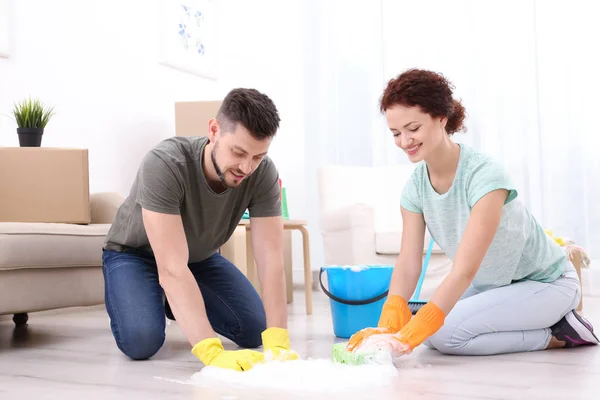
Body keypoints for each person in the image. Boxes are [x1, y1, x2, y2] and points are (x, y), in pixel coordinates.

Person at [347, 69, 599, 357]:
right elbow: (408, 261)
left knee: (443, 335)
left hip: (547, 284)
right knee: (430, 333)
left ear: (441, 118)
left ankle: (560, 333)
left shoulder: (485, 176)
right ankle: (546, 326)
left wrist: (411, 335)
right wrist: (392, 313)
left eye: (413, 129)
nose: (404, 141)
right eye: (395, 133)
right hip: (493, 287)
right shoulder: (415, 188)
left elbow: (465, 269)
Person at [102, 88, 297, 371]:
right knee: (141, 342)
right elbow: (171, 266)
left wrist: (278, 340)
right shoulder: (165, 163)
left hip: (198, 259)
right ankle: (165, 295)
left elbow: (270, 260)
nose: (247, 167)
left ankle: (175, 300)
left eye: (257, 156)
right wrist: (211, 352)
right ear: (214, 130)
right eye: (238, 152)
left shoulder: (263, 173)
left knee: (255, 328)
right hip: (134, 254)